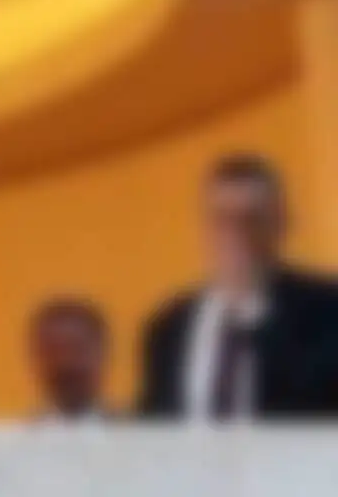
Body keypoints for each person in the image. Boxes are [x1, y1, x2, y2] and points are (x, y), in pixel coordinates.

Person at [138, 154, 338, 418]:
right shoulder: (168, 329)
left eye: (252, 219)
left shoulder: (327, 314)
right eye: (223, 219)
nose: (237, 233)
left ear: (281, 223)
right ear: (206, 228)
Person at [28, 297, 114, 423]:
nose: (66, 361)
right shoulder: (18, 440)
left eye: (77, 349)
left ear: (102, 354)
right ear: (37, 357)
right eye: (54, 350)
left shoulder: (137, 436)